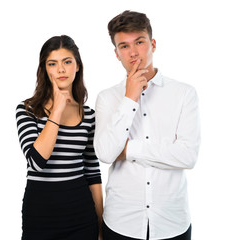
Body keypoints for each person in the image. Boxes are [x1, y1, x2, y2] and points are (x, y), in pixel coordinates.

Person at [94, 11, 200, 240]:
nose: (133, 52)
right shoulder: (107, 98)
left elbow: (188, 155)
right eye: (124, 46)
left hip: (172, 223)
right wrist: (129, 98)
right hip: (122, 223)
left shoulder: (184, 94)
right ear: (116, 53)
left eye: (139, 42)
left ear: (152, 44)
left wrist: (128, 150)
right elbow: (105, 153)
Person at [16, 35, 103, 240]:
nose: (61, 70)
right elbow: (36, 162)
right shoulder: (27, 110)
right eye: (52, 63)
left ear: (77, 66)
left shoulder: (88, 114)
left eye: (67, 62)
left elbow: (92, 172)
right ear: (45, 69)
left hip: (82, 215)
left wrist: (100, 225)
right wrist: (56, 111)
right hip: (40, 216)